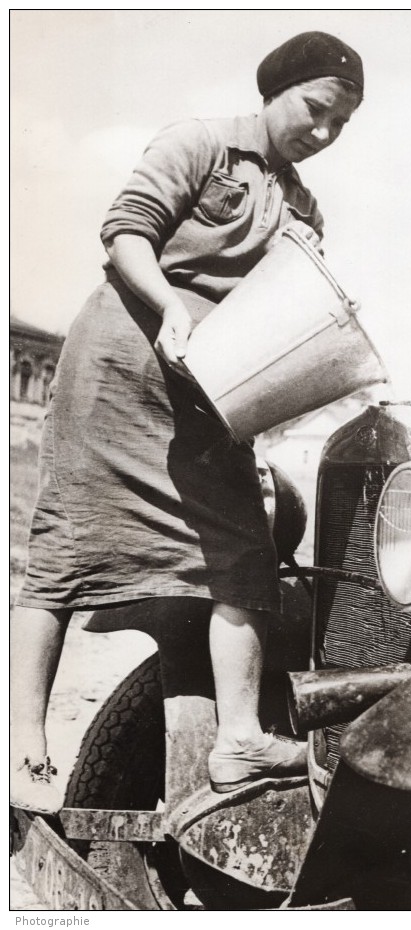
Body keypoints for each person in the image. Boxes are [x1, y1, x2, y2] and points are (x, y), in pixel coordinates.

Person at [10, 31, 364, 813]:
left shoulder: (304, 204)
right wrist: (171, 304)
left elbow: (287, 315)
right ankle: (23, 747)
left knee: (244, 556)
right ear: (276, 89)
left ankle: (238, 740)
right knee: (64, 551)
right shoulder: (198, 142)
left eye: (340, 124)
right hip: (117, 368)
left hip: (211, 396)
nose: (323, 133)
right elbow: (124, 232)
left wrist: (303, 263)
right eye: (315, 110)